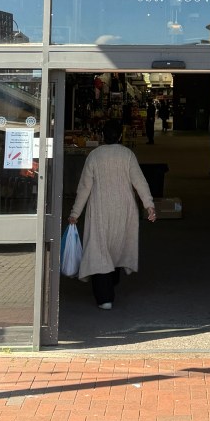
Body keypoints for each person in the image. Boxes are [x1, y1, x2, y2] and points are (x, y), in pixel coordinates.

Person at [69, 118, 156, 309]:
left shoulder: (94, 156)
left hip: (100, 210)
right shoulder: (127, 155)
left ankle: (104, 298)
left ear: (102, 136)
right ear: (119, 136)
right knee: (117, 246)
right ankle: (111, 282)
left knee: (100, 249)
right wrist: (149, 205)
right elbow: (140, 182)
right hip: (124, 210)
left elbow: (84, 188)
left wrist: (75, 213)